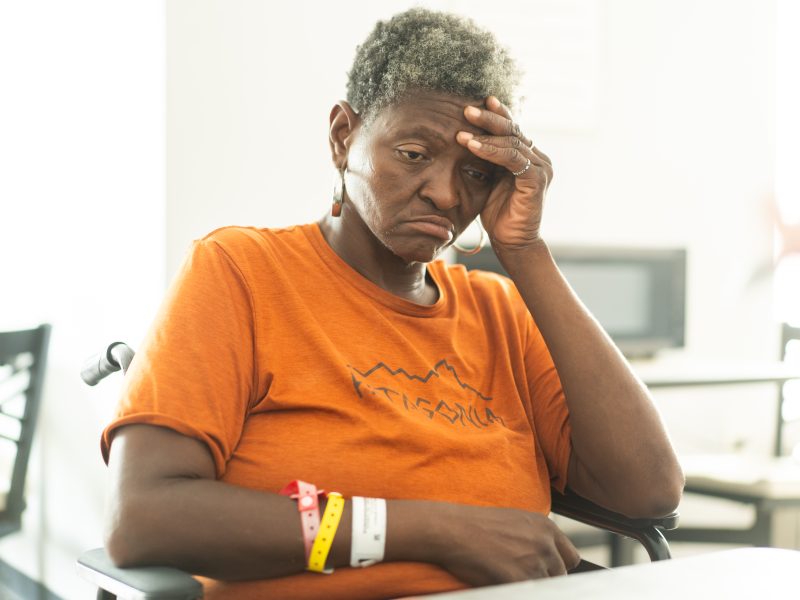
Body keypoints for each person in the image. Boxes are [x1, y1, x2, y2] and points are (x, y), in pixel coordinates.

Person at [101, 8, 684, 600]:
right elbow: (144, 518)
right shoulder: (241, 272)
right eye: (413, 153)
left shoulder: (500, 311)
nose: (446, 192)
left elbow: (649, 492)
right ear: (342, 136)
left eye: (477, 174)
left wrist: (526, 251)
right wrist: (434, 530)